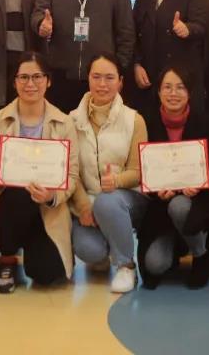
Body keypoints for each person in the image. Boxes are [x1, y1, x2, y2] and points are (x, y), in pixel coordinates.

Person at [0, 52, 78, 293]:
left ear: (48, 81)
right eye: (23, 77)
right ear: (14, 82)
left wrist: (52, 196)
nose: (30, 84)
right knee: (16, 193)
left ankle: (38, 248)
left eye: (37, 77)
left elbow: (72, 176)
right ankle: (7, 258)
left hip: (46, 207)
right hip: (10, 206)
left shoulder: (65, 122)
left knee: (47, 275)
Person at [69, 53, 148, 293]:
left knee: (107, 201)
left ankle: (126, 265)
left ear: (120, 82)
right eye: (96, 77)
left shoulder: (134, 120)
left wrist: (117, 180)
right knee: (89, 251)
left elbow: (139, 171)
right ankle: (103, 250)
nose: (102, 84)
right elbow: (71, 171)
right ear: (88, 79)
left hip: (126, 199)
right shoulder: (71, 120)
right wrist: (83, 205)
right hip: (88, 202)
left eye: (109, 78)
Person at [137, 65, 209, 289]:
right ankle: (176, 244)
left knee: (180, 206)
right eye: (167, 87)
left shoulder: (206, 123)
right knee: (154, 265)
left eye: (180, 87)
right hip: (159, 208)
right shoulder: (145, 123)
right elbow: (140, 169)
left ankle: (200, 254)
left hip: (194, 205)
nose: (173, 93)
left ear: (190, 92)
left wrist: (199, 187)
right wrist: (155, 191)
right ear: (158, 92)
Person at [130, 0, 204, 116]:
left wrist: (187, 29)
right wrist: (136, 65)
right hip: (148, 76)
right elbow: (133, 33)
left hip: (179, 78)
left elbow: (201, 26)